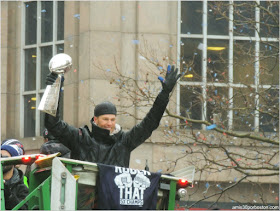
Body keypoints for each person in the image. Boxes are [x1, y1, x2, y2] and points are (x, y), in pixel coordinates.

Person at [45, 65, 181, 167]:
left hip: (113, 201)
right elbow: (53, 123)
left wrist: (164, 94)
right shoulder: (81, 139)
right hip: (85, 201)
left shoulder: (124, 141)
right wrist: (53, 90)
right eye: (105, 119)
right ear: (95, 119)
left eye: (112, 119)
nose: (109, 123)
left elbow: (149, 124)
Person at [1, 140, 29, 210]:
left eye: (5, 158)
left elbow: (23, 208)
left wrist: (8, 195)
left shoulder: (21, 188)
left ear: (13, 162)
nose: (1, 160)